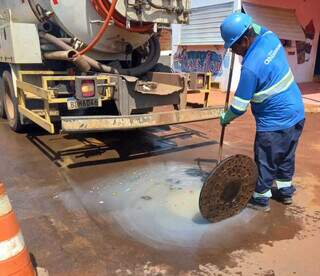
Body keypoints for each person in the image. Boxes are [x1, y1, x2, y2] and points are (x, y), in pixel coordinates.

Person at [219, 12, 305, 212]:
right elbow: (258, 27)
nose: (233, 52)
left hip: (274, 123)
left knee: (266, 161)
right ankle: (285, 193)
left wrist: (226, 117)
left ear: (246, 40)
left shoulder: (250, 68)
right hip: (297, 114)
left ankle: (260, 199)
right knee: (286, 155)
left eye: (234, 47)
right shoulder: (271, 38)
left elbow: (239, 107)